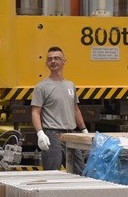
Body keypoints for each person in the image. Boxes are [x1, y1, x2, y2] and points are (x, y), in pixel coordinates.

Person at [30, 46, 87, 174]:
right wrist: (40, 134)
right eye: (50, 59)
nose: (53, 61)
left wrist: (84, 130)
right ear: (46, 63)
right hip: (52, 135)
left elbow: (75, 109)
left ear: (64, 61)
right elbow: (35, 112)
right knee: (52, 174)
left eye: (56, 58)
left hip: (71, 135)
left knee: (79, 173)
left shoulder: (70, 85)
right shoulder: (41, 87)